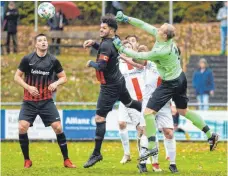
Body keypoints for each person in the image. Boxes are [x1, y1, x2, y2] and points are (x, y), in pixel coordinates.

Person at [113, 12, 218, 160]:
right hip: (180, 77)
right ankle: (210, 134)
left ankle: (151, 147)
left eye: (161, 29)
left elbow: (141, 57)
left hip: (170, 83)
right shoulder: (163, 38)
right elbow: (143, 24)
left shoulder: (161, 51)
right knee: (183, 111)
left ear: (164, 35)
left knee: (148, 113)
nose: (157, 29)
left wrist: (121, 49)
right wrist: (126, 19)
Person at [82, 14, 142, 168]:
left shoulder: (106, 45)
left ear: (112, 30)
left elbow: (101, 66)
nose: (101, 30)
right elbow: (109, 50)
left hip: (109, 87)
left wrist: (90, 63)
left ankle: (96, 153)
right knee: (129, 103)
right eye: (100, 27)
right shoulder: (114, 40)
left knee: (99, 119)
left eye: (104, 28)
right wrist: (94, 43)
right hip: (119, 81)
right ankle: (150, 109)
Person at [14, 33, 76, 168]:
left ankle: (66, 160)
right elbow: (17, 77)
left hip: (46, 101)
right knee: (22, 127)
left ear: (47, 44)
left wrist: (56, 84)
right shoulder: (27, 59)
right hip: (29, 101)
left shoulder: (53, 60)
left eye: (45, 40)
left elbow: (63, 77)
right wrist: (28, 87)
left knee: (58, 127)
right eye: (40, 40)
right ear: (36, 44)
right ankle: (27, 160)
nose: (43, 42)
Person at [122, 44, 177, 173]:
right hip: (149, 104)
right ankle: (142, 163)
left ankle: (173, 164)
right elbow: (138, 60)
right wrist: (125, 52)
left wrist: (173, 103)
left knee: (169, 132)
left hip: (164, 105)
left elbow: (175, 87)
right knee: (147, 132)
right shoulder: (151, 62)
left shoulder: (172, 68)